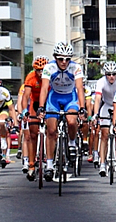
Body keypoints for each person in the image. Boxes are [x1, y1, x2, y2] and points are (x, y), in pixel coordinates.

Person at [37, 42, 86, 182]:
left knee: (71, 121)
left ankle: (72, 143)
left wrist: (82, 108)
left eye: (67, 59)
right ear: (55, 58)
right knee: (51, 131)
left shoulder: (76, 67)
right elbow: (44, 88)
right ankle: (49, 165)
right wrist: (41, 107)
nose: (64, 62)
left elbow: (79, 88)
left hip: (70, 97)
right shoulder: (49, 67)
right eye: (60, 59)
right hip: (54, 98)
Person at [92, 61, 116, 176]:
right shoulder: (101, 82)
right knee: (104, 135)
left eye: (114, 74)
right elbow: (97, 98)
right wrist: (96, 114)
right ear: (105, 74)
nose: (111, 76)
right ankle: (102, 164)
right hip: (106, 106)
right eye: (109, 74)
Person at [20, 55, 49, 181]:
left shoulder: (51, 75)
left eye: (43, 70)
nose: (41, 73)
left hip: (48, 101)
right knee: (32, 133)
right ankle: (31, 165)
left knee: (51, 130)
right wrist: (25, 111)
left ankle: (52, 159)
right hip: (35, 102)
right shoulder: (31, 77)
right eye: (38, 70)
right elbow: (26, 96)